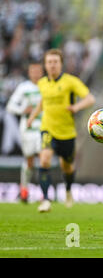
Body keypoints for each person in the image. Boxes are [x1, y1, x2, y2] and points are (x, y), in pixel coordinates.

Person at [27, 49, 96, 212]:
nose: (52, 65)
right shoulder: (42, 83)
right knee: (44, 160)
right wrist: (32, 117)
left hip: (67, 132)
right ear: (45, 65)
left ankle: (68, 190)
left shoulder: (70, 82)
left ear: (61, 64)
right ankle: (45, 200)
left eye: (55, 62)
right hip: (47, 128)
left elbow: (90, 98)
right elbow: (43, 102)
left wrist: (76, 107)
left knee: (67, 167)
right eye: (49, 62)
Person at [6, 63, 44, 202]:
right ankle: (24, 189)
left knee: (43, 159)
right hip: (28, 129)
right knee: (29, 161)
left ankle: (44, 193)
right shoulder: (24, 87)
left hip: (43, 127)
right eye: (32, 71)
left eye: (38, 71)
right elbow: (10, 106)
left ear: (42, 72)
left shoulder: (46, 86)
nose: (35, 73)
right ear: (29, 73)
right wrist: (22, 110)